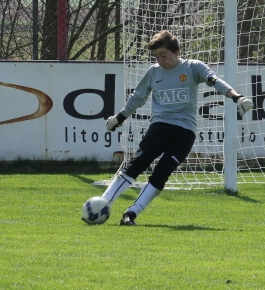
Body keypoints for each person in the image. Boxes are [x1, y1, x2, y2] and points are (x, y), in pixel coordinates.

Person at [97, 30, 253, 225]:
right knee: (139, 162)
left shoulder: (193, 67)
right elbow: (137, 98)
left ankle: (131, 214)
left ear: (176, 52)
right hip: (160, 126)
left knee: (163, 172)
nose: (160, 61)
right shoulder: (154, 72)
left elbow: (215, 81)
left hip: (185, 132)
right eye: (157, 57)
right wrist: (119, 118)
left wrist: (237, 97)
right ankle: (102, 204)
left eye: (164, 55)